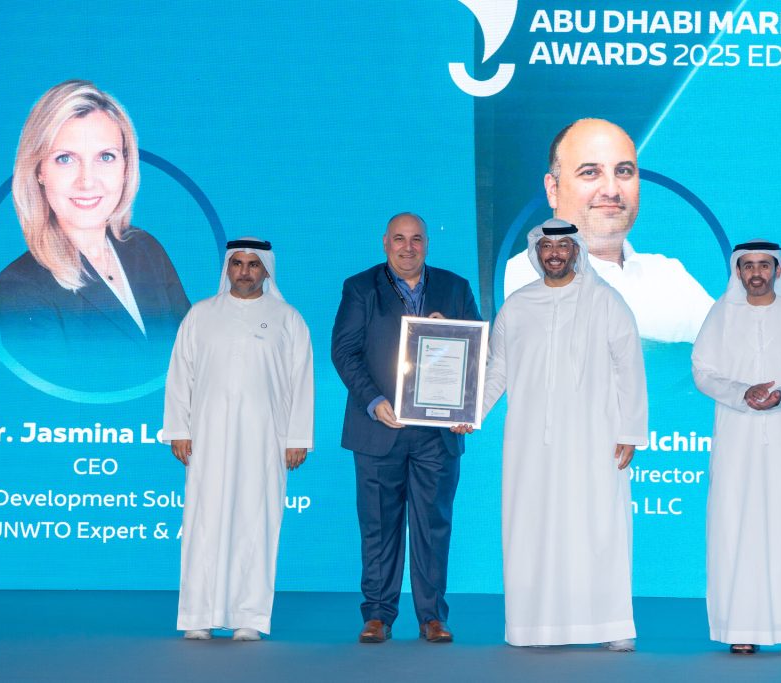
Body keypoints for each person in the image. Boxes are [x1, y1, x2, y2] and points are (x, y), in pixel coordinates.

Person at [481, 218, 648, 650]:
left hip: (595, 438)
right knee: (531, 529)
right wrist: (470, 412)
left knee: (598, 527)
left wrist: (630, 429)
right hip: (529, 444)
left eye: (562, 246)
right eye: (546, 247)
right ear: (536, 252)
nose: (554, 254)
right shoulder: (517, 306)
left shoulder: (605, 301)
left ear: (576, 251)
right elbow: (498, 370)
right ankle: (534, 626)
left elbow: (629, 367)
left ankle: (611, 626)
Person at [331, 212, 481, 644]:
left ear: (427, 243)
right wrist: (373, 401)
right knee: (378, 526)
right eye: (399, 239)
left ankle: (432, 616)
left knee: (434, 525)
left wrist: (464, 403)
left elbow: (475, 352)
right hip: (378, 427)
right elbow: (344, 352)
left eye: (416, 239)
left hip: (437, 434)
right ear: (385, 243)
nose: (408, 247)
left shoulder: (455, 288)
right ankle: (378, 615)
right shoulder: (360, 288)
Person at [161, 238, 313, 641]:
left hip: (266, 441)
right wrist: (179, 429)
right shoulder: (201, 315)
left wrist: (297, 437)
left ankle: (250, 616)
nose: (244, 272)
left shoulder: (287, 319)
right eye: (237, 264)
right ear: (227, 268)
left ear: (266, 270)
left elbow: (302, 381)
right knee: (202, 522)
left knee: (256, 522)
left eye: (253, 265)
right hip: (207, 439)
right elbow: (180, 374)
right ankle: (198, 615)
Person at [0, 79, 189, 386]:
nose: (87, 181)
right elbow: (58, 405)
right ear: (39, 170)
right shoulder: (22, 286)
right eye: (65, 159)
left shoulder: (146, 248)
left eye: (105, 157)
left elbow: (194, 356)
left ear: (125, 166)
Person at [691, 240, 781, 656]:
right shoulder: (720, 316)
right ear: (738, 271)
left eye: (763, 265)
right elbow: (702, 371)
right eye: (748, 266)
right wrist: (741, 392)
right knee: (736, 525)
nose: (756, 273)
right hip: (737, 436)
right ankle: (740, 627)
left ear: (777, 270)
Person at [503, 118, 713, 343]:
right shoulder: (518, 279)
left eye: (623, 171)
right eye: (590, 173)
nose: (612, 190)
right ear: (553, 190)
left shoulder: (670, 276)